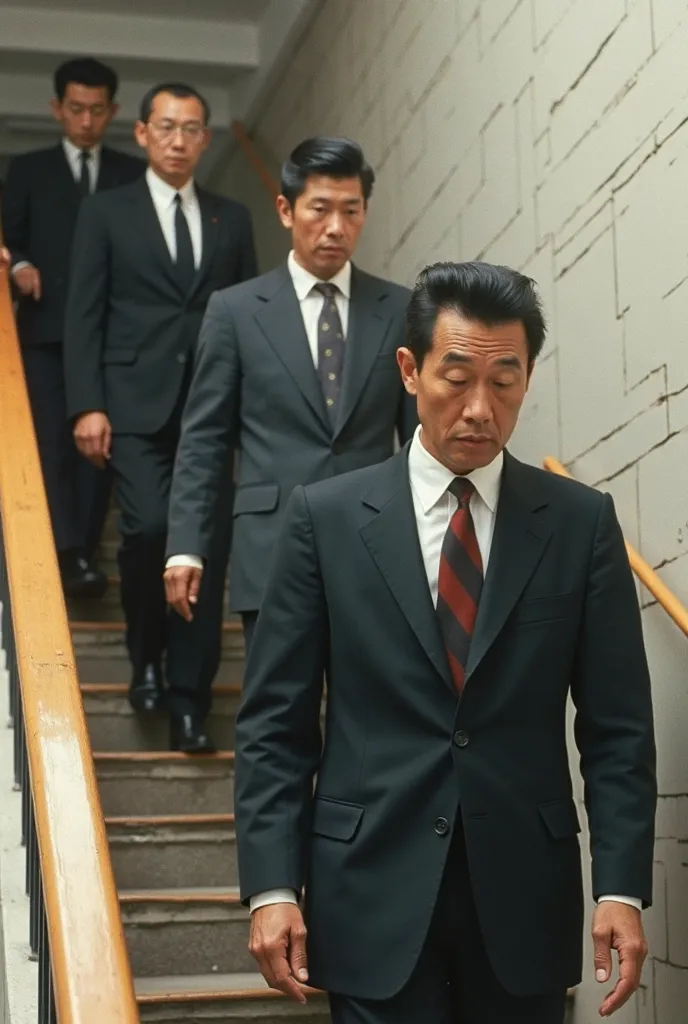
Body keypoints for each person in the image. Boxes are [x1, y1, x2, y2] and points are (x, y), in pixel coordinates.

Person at [233, 262, 657, 1024]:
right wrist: (271, 888)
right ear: (409, 369)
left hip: (525, 895)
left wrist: (620, 887)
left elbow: (618, 728)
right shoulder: (323, 521)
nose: (479, 408)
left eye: (505, 380)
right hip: (367, 886)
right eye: (456, 377)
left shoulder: (579, 524)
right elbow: (275, 726)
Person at [164, 136, 418, 653]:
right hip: (271, 546)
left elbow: (420, 437)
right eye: (320, 209)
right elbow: (205, 439)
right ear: (286, 210)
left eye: (351, 211)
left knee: (370, 721)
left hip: (377, 547)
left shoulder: (401, 310)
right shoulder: (234, 310)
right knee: (276, 721)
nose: (336, 228)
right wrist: (186, 546)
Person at [64, 82, 257, 752]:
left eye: (193, 129)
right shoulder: (106, 213)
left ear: (206, 140)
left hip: (214, 410)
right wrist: (86, 403)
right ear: (142, 134)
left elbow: (252, 324)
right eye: (167, 127)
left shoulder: (230, 220)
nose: (180, 140)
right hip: (135, 410)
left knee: (205, 550)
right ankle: (145, 658)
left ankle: (189, 700)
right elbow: (83, 312)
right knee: (148, 530)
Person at [1, 58, 144, 598]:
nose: (86, 121)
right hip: (44, 330)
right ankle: (61, 550)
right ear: (57, 109)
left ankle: (82, 550)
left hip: (112, 337)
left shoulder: (131, 175)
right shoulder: (28, 169)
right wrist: (19, 267)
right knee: (49, 443)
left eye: (97, 110)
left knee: (97, 447)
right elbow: (12, 240)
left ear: (113, 111)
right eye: (76, 109)